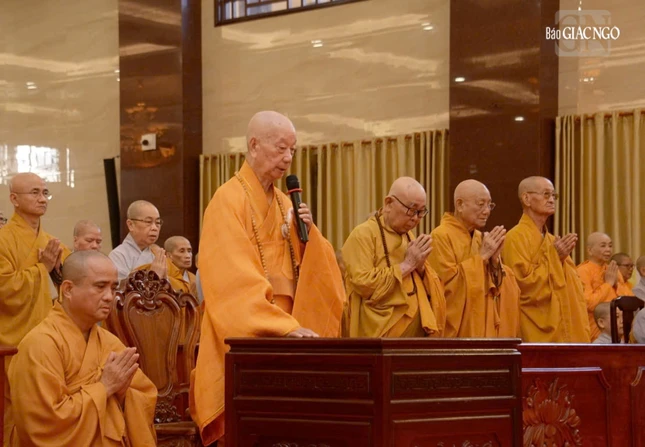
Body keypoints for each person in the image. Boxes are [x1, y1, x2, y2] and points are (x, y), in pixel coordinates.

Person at [190, 111, 345, 446]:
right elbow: (230, 278)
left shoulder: (285, 202)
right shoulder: (226, 201)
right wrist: (277, 325)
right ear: (254, 146)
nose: (288, 158)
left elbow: (315, 268)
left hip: (290, 329)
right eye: (281, 148)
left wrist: (309, 237)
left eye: (293, 150)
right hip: (247, 332)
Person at [6, 251, 157, 446]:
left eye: (113, 288)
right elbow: (42, 424)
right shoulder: (40, 344)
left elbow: (144, 395)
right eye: (100, 286)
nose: (109, 296)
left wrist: (121, 395)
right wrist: (104, 388)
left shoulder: (109, 343)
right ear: (68, 289)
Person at [342, 176, 446, 338]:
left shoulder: (409, 236)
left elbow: (428, 286)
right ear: (389, 203)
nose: (415, 218)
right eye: (411, 210)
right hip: (379, 338)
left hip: (417, 339)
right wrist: (407, 265)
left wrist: (420, 268)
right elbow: (363, 283)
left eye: (421, 212)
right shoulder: (363, 235)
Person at [502, 176, 590, 342]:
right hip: (533, 326)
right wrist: (555, 258)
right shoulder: (514, 238)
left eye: (553, 195)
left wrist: (558, 259)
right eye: (546, 194)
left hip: (561, 324)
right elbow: (522, 286)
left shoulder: (552, 240)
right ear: (526, 198)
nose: (551, 200)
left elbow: (574, 284)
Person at [429, 180, 520, 338]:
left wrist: (495, 262)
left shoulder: (481, 238)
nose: (487, 211)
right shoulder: (440, 236)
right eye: (481, 204)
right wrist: (482, 257)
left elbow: (497, 289)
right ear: (460, 205)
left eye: (490, 205)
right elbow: (444, 288)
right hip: (458, 330)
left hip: (483, 325)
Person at [0, 173, 71, 354]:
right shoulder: (3, 240)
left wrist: (57, 273)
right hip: (14, 340)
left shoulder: (53, 244)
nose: (42, 199)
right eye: (34, 193)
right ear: (14, 199)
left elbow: (71, 289)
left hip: (51, 335)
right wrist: (43, 268)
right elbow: (5, 289)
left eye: (45, 193)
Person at [577, 233, 632, 341]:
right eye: (603, 246)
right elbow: (588, 304)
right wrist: (608, 285)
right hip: (595, 332)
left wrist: (617, 285)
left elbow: (629, 301)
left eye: (610, 246)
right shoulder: (583, 271)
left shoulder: (612, 269)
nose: (608, 249)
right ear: (589, 250)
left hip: (620, 332)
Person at [109, 200, 161, 281]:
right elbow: (120, 287)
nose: (154, 228)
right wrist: (154, 276)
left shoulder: (158, 254)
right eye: (148, 222)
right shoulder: (118, 255)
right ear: (131, 225)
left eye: (157, 222)